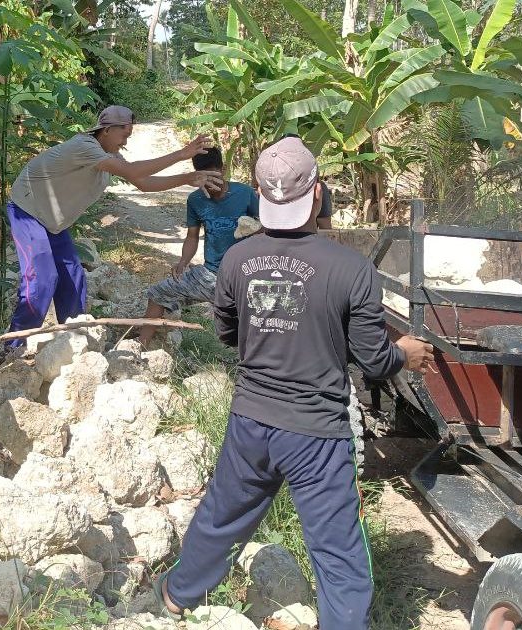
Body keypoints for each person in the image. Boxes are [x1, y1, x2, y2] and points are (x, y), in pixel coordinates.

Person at [155, 137, 433, 629]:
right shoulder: (352, 269)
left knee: (222, 513)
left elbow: (229, 333)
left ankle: (178, 596)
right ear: (318, 194)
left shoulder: (237, 259)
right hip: (316, 433)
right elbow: (374, 362)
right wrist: (406, 355)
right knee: (338, 548)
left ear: (260, 193)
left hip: (251, 420)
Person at [4, 105, 222, 350]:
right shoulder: (84, 146)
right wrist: (181, 154)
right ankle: (12, 347)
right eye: (124, 135)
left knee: (73, 279)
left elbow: (142, 183)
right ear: (106, 130)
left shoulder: (109, 156)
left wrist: (186, 178)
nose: (125, 142)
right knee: (42, 280)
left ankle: (73, 342)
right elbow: (133, 171)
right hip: (28, 210)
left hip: (52, 221)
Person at [137, 146, 255, 348]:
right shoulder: (195, 200)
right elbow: (192, 236)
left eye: (214, 177)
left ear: (223, 169)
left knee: (254, 322)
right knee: (158, 293)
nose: (210, 185)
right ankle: (141, 348)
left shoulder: (245, 194)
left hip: (244, 276)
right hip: (210, 275)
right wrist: (183, 262)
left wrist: (254, 228)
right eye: (204, 179)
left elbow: (267, 228)